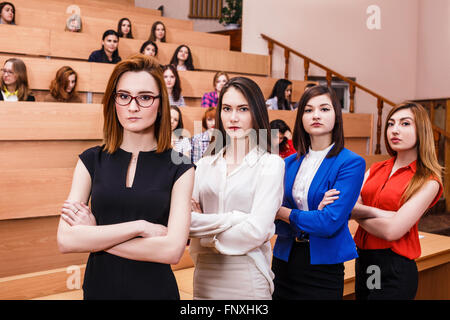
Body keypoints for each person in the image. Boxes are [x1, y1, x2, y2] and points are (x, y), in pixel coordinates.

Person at [56, 54, 195, 300]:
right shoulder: (90, 160)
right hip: (99, 291)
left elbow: (172, 251)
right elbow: (66, 240)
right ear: (114, 101)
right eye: (123, 96)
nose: (132, 107)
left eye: (144, 97)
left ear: (161, 103)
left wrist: (94, 235)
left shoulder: (181, 167)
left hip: (156, 293)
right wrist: (140, 227)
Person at [189, 76, 285, 300]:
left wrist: (205, 232)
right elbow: (186, 222)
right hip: (205, 276)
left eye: (242, 109)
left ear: (256, 112)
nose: (233, 117)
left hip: (248, 275)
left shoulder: (270, 164)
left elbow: (257, 231)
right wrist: (237, 218)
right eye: (226, 108)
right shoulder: (204, 165)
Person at [272, 85, 365, 300]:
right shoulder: (286, 163)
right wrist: (314, 212)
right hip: (284, 260)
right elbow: (266, 213)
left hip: (323, 266)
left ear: (336, 116)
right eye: (308, 110)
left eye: (324, 109)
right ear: (300, 118)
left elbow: (329, 222)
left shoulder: (350, 163)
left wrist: (283, 212)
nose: (316, 115)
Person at [352, 102, 443, 300]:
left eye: (405, 124)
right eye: (391, 124)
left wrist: (359, 213)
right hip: (368, 263)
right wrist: (385, 214)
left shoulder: (428, 180)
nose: (395, 130)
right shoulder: (376, 168)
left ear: (422, 130)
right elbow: (350, 207)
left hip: (395, 267)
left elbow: (392, 231)